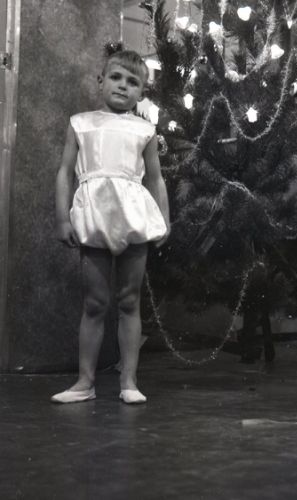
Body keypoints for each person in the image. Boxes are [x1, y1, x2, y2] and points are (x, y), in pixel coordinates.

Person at [52, 44, 170, 404]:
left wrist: (164, 221)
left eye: (132, 82)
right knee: (94, 302)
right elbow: (65, 172)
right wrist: (62, 218)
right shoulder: (80, 123)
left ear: (142, 92)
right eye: (116, 77)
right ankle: (84, 382)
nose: (122, 85)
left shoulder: (145, 130)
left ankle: (129, 382)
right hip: (94, 216)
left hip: (132, 217)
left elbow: (156, 179)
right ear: (100, 80)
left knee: (129, 300)